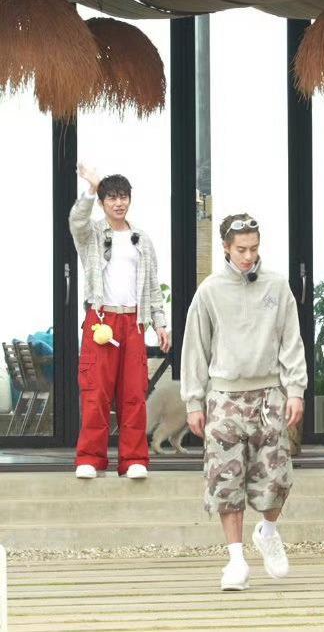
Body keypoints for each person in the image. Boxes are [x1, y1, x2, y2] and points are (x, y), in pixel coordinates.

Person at [180, 213, 307, 591]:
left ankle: (267, 531)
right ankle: (236, 559)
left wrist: (295, 390)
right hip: (223, 396)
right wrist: (193, 401)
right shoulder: (210, 290)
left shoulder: (277, 285)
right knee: (225, 480)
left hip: (269, 393)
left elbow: (291, 339)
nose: (249, 256)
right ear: (226, 248)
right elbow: (195, 347)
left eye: (254, 248)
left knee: (277, 477)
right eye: (241, 250)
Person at [70, 163, 170, 480]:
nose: (118, 203)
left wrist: (160, 323)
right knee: (96, 393)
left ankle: (134, 459)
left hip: (133, 322)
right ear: (103, 203)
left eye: (123, 197)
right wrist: (91, 187)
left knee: (134, 394)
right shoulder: (92, 235)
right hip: (101, 319)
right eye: (111, 197)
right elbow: (77, 221)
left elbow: (152, 286)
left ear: (130, 199)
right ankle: (90, 458)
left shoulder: (143, 240)